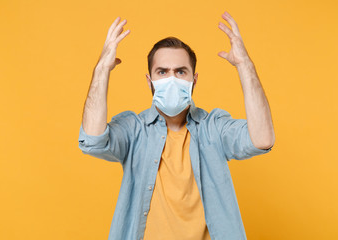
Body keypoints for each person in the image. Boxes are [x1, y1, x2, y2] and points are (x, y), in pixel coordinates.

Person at [78, 11, 275, 240]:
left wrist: (245, 65)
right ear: (149, 81)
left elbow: (262, 139)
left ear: (194, 80)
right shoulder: (134, 128)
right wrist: (102, 68)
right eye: (162, 72)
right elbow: (91, 140)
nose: (172, 79)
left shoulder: (214, 127)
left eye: (180, 72)